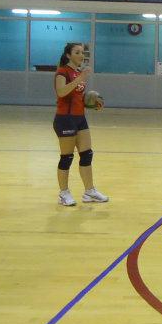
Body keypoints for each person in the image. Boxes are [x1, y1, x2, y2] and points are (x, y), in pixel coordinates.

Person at [53, 43, 108, 207]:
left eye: (82, 52)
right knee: (67, 157)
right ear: (68, 55)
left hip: (79, 118)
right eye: (77, 52)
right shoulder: (62, 72)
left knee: (87, 154)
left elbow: (76, 97)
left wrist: (91, 103)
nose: (81, 55)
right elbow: (61, 92)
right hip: (65, 118)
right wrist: (80, 78)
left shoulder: (78, 72)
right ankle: (64, 193)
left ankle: (89, 191)